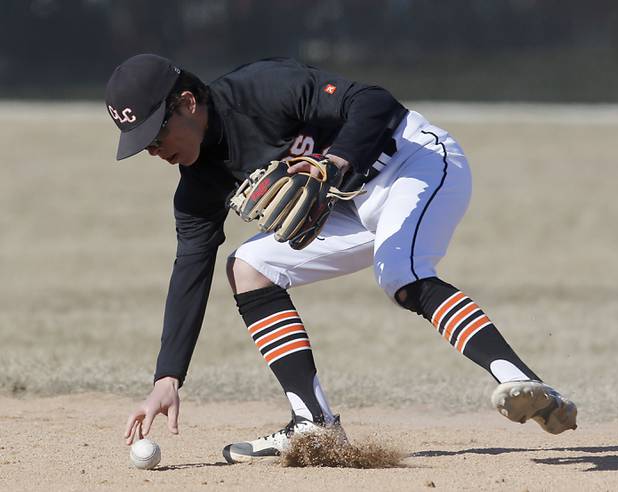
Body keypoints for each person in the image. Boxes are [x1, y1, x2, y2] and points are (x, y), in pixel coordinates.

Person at [106, 53, 577, 462]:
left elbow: (375, 102)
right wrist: (167, 378)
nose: (152, 150)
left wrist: (335, 161)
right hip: (350, 205)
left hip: (414, 161)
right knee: (249, 269)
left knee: (402, 274)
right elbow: (190, 267)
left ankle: (528, 385)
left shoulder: (262, 89)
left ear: (187, 103)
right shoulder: (198, 186)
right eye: (141, 142)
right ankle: (312, 423)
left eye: (154, 132)